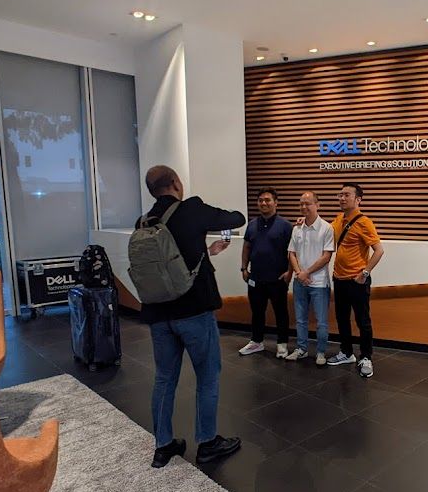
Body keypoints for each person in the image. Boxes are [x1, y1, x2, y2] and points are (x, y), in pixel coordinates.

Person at [137, 165, 246, 468]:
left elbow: (168, 262)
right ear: (175, 183)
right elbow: (237, 218)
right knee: (207, 376)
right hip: (194, 310)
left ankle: (163, 444)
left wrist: (204, 249)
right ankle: (208, 442)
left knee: (164, 378)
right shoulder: (192, 209)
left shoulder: (144, 221)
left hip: (158, 313)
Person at [328, 182, 385, 378]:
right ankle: (346, 352)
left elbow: (379, 250)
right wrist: (305, 219)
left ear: (358, 199)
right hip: (339, 279)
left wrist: (365, 273)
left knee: (363, 321)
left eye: (346, 195)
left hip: (357, 281)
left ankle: (366, 357)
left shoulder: (364, 222)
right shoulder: (338, 219)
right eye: (340, 194)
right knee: (342, 319)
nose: (341, 198)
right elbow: (323, 230)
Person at [238, 187, 294, 357]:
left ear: (276, 203)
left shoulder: (285, 226)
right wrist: (243, 268)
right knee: (257, 312)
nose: (264, 203)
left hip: (278, 279)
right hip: (255, 278)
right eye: (261, 200)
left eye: (268, 200)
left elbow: (292, 252)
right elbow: (247, 246)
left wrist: (289, 272)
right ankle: (256, 342)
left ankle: (282, 344)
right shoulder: (252, 225)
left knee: (281, 312)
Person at [286, 191, 335, 365]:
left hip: (319, 283)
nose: (304, 207)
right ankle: (301, 349)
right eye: (301, 204)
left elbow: (326, 256)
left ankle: (321, 352)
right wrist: (300, 273)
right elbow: (291, 253)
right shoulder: (296, 228)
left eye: (308, 203)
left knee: (321, 322)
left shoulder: (327, 228)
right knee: (300, 319)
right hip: (299, 281)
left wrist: (307, 273)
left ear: (317, 205)